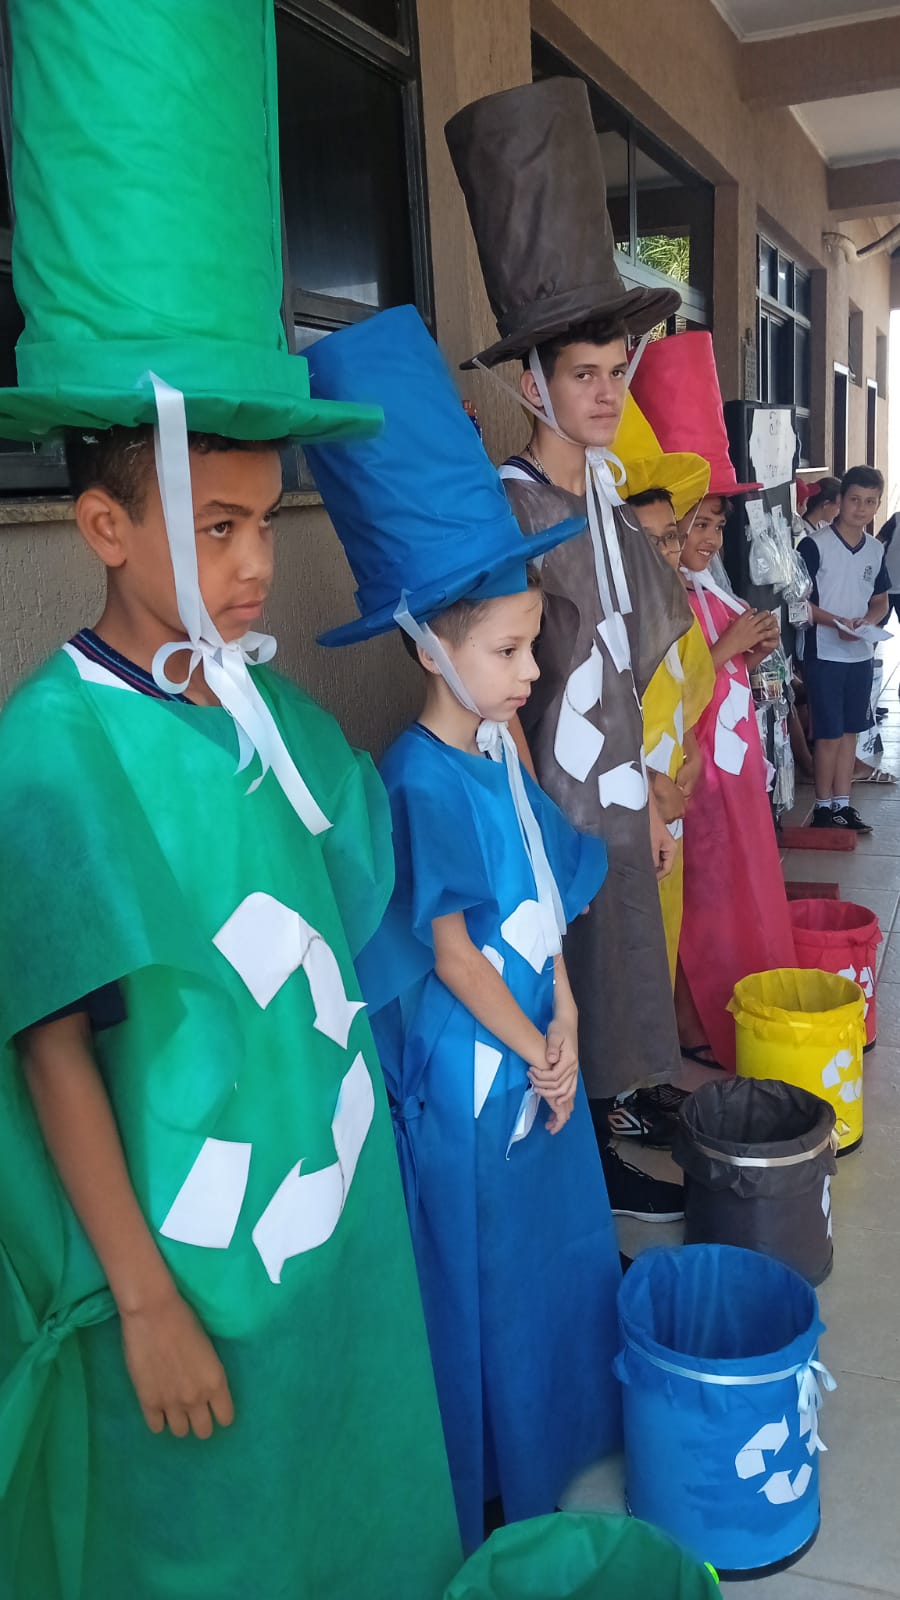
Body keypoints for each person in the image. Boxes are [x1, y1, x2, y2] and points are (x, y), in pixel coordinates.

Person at [0, 6, 463, 1598]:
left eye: (269, 519)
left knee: (345, 1496)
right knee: (202, 1537)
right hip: (186, 1257)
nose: (259, 563)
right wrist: (142, 1298)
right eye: (218, 525)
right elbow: (53, 1039)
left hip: (331, 1235)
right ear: (105, 526)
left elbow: (358, 903)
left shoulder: (266, 714)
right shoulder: (55, 754)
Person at [306, 304, 623, 1554]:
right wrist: (536, 1045)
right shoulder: (418, 778)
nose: (531, 675)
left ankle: (555, 1440)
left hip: (537, 1036)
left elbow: (543, 884)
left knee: (554, 1256)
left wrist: (569, 1010)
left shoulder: (497, 751)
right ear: (430, 650)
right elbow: (445, 953)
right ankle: (487, 1476)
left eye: (531, 646)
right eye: (508, 652)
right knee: (484, 1271)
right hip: (478, 1063)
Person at [446, 77, 688, 1219]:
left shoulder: (601, 500)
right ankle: (583, 1164)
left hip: (611, 795)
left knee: (620, 960)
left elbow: (630, 657)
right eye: (583, 375)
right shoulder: (509, 510)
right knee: (561, 971)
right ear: (532, 382)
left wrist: (652, 801)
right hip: (543, 796)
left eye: (615, 372)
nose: (605, 394)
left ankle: (614, 1113)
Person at [630, 330, 796, 1072]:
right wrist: (726, 651)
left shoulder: (705, 592)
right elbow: (665, 688)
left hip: (729, 781)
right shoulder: (656, 604)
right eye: (690, 525)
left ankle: (734, 1009)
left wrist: (744, 658)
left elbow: (713, 675)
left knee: (734, 896)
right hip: (687, 784)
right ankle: (689, 1021)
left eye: (712, 524)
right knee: (695, 905)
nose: (700, 539)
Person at [627, 484, 716, 986]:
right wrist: (647, 781)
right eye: (649, 540)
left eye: (670, 537)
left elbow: (684, 699)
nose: (666, 551)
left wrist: (694, 750)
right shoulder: (607, 626)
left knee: (664, 931)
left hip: (669, 802)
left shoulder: (677, 614)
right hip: (627, 803)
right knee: (629, 952)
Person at [798, 465, 890, 834]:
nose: (861, 508)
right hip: (825, 653)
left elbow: (880, 600)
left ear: (878, 505)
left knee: (851, 730)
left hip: (860, 654)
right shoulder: (814, 545)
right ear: (839, 500)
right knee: (829, 733)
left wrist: (866, 622)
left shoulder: (875, 549)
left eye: (870, 502)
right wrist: (836, 622)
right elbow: (798, 603)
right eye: (854, 500)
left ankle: (842, 804)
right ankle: (823, 807)